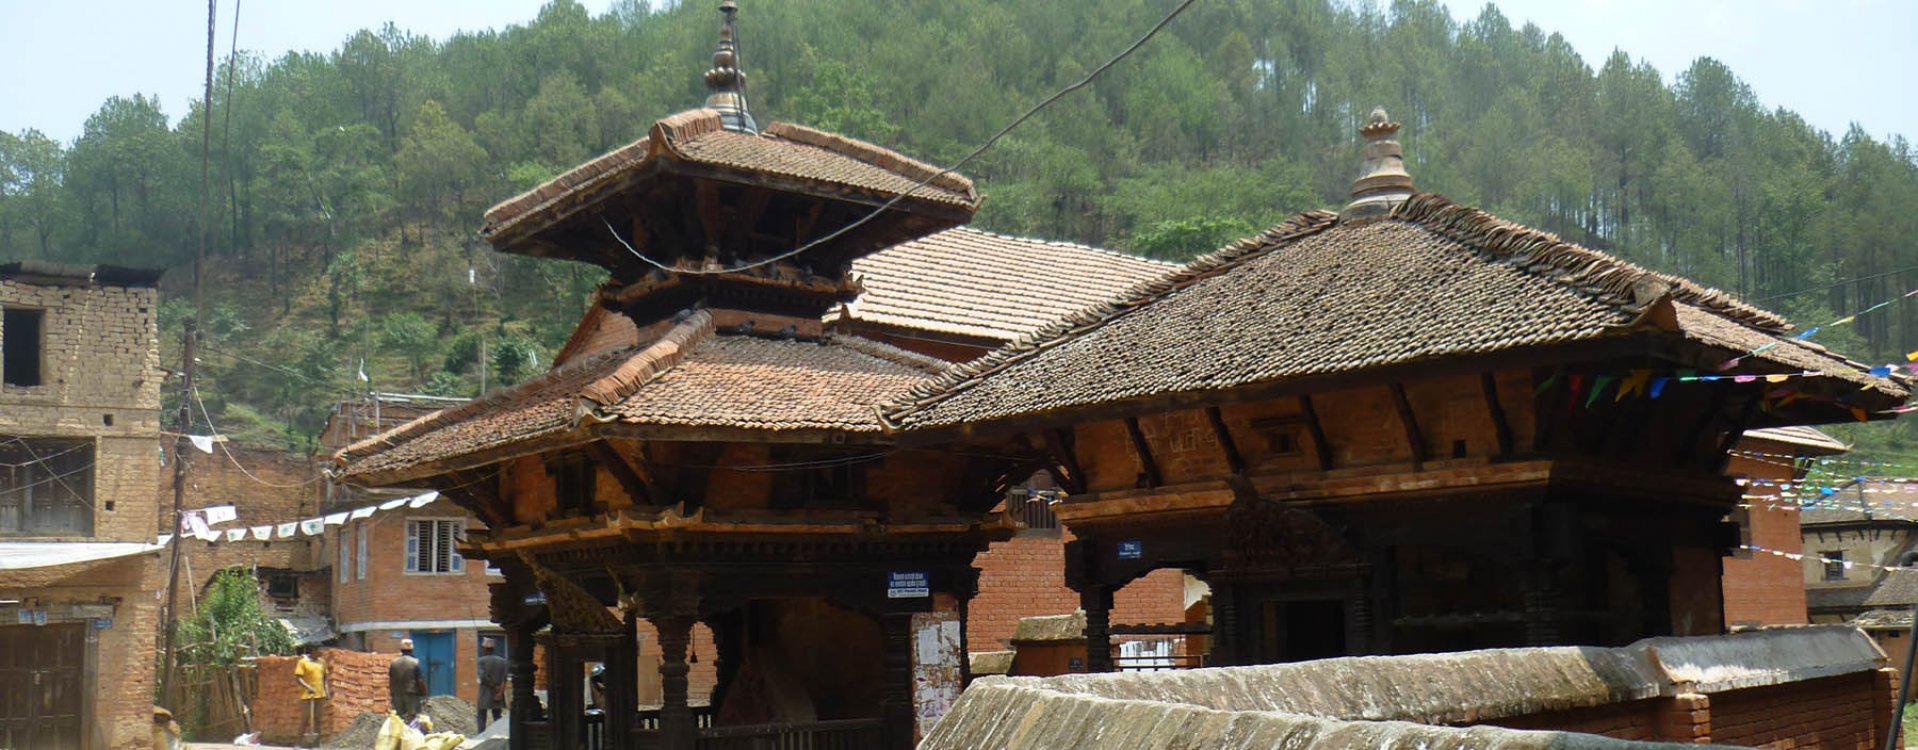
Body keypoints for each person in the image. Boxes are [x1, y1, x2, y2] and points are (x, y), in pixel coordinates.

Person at [294, 645, 329, 748]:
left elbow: (325, 678)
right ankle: (299, 743)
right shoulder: (303, 662)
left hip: (320, 694)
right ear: (313, 650)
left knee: (318, 719)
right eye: (319, 650)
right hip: (307, 695)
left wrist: (326, 690)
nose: (321, 652)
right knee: (305, 718)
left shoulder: (322, 662)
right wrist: (308, 687)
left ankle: (316, 744)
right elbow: (298, 678)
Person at [388, 638, 427, 721]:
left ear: (401, 649)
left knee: (398, 719)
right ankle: (410, 732)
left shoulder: (394, 662)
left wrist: (392, 693)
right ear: (412, 649)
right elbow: (420, 680)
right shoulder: (415, 662)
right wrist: (424, 693)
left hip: (397, 694)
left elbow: (391, 679)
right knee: (412, 717)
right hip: (411, 694)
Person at [476, 638, 508, 730]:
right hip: (498, 693)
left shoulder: (481, 661)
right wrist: (500, 691)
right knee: (497, 714)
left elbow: (483, 677)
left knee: (482, 714)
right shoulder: (502, 661)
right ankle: (497, 733)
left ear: (484, 649)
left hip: (485, 693)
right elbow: (504, 678)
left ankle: (481, 735)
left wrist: (494, 686)